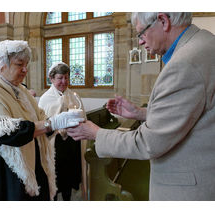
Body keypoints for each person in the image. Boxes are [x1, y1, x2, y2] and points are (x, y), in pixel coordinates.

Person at [67, 12, 215, 201]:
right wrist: (141, 113)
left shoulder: (185, 63)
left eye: (141, 33)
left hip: (189, 190)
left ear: (163, 21)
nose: (140, 42)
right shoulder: (204, 43)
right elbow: (194, 112)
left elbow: (148, 143)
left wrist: (96, 133)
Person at [0, 40, 84, 201]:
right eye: (19, 64)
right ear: (1, 64)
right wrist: (53, 123)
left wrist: (60, 120)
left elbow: (40, 116)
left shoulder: (21, 89)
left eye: (26, 64)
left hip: (29, 159)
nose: (25, 70)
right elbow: (8, 131)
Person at [38, 62, 85, 201]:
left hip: (71, 143)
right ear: (52, 79)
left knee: (69, 178)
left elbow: (82, 117)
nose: (64, 81)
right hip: (54, 144)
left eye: (66, 78)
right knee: (55, 178)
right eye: (60, 78)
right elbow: (42, 124)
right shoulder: (45, 99)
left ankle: (68, 199)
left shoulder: (74, 96)